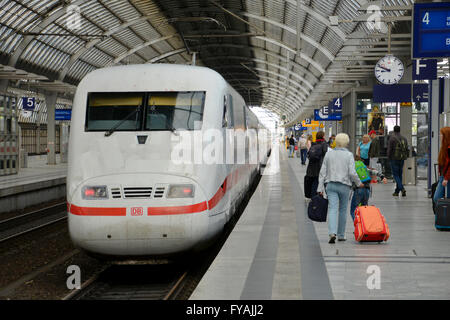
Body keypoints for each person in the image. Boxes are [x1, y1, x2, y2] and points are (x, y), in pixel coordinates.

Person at [318, 133, 364, 243]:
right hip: (344, 186)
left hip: (331, 185)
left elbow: (322, 172)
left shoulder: (329, 154)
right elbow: (352, 173)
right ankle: (341, 235)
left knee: (332, 209)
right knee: (343, 210)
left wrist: (320, 188)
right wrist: (359, 183)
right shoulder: (349, 155)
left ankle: (332, 233)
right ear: (346, 143)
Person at [349, 155, 388, 221]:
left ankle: (358, 228)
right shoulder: (363, 166)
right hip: (367, 189)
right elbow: (373, 171)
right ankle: (365, 227)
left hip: (358, 189)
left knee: (353, 210)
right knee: (364, 210)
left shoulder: (352, 167)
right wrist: (382, 177)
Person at [387, 125, 409, 197]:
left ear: (394, 130)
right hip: (402, 158)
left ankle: (402, 188)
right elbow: (407, 149)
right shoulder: (404, 138)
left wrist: (388, 157)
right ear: (399, 130)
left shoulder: (392, 138)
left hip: (394, 159)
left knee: (395, 175)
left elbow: (389, 149)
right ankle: (396, 191)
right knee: (399, 175)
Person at [306, 131, 329, 199]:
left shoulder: (314, 144)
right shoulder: (324, 144)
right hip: (320, 166)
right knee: (320, 182)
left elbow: (309, 155)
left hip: (311, 167)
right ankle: (318, 199)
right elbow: (326, 155)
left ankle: (313, 198)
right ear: (323, 136)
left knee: (314, 183)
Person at [433, 127, 450, 205]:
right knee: (437, 198)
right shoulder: (444, 148)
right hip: (443, 176)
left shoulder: (448, 149)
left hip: (447, 177)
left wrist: (446, 178)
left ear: (446, 136)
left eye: (441, 134)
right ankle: (441, 215)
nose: (440, 136)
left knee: (437, 197)